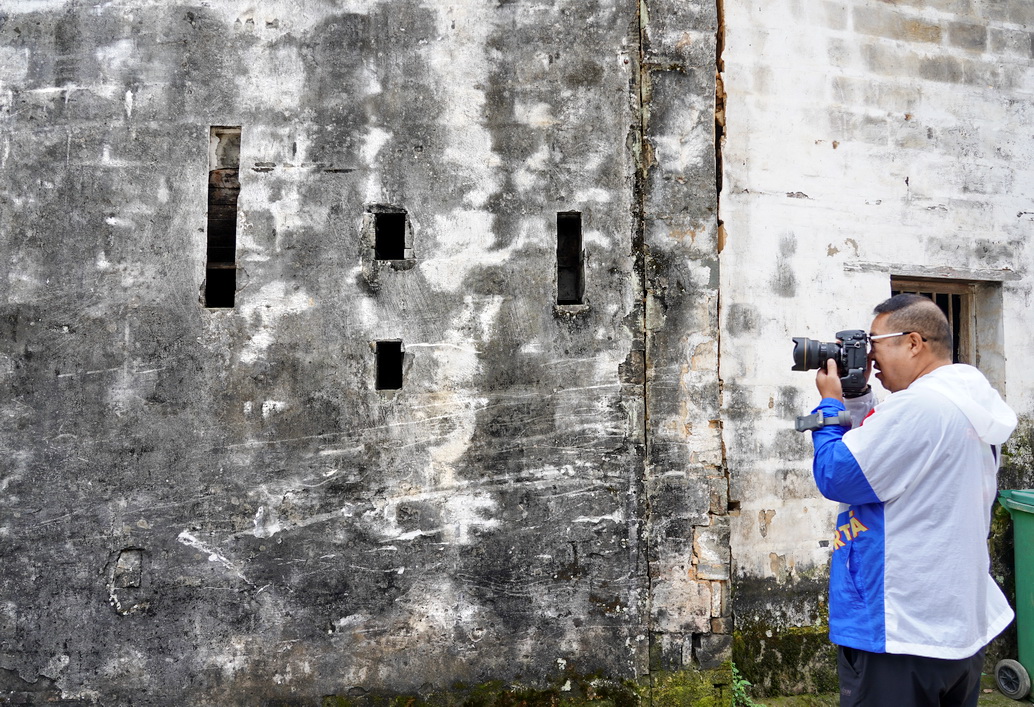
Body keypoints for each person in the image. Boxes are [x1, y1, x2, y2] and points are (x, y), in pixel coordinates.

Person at [808, 293, 1017, 707]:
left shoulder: (920, 406)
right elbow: (886, 455)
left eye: (875, 343)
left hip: (902, 630)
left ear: (913, 342)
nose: (870, 356)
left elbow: (837, 474)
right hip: (953, 629)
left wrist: (830, 406)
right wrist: (858, 395)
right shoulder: (967, 401)